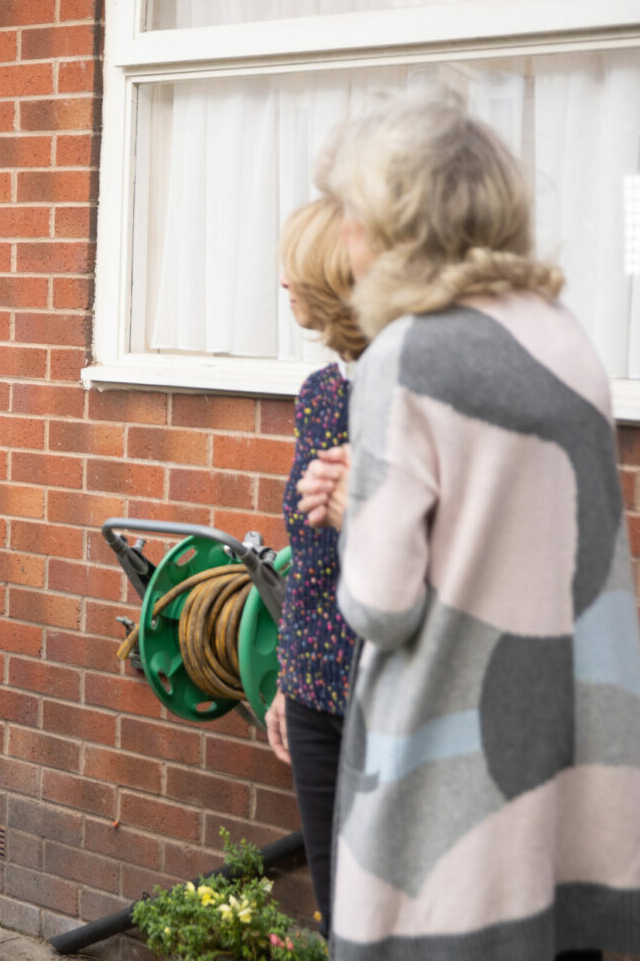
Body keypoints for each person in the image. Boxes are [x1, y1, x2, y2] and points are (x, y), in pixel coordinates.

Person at [306, 91, 640, 961]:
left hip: (451, 783)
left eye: (353, 211)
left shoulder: (408, 355)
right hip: (568, 775)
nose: (345, 233)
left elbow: (382, 605)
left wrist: (352, 511)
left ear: (398, 222)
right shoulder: (569, 343)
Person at [263, 197, 364, 940]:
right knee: (339, 917)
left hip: (389, 701)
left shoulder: (419, 396)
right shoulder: (321, 393)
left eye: (295, 266)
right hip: (314, 690)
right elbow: (308, 559)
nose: (283, 282)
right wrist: (287, 677)